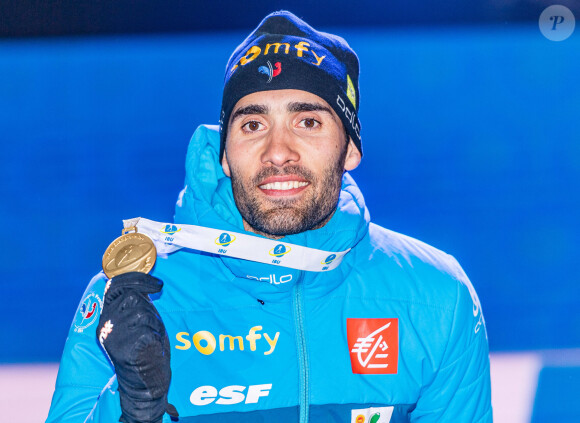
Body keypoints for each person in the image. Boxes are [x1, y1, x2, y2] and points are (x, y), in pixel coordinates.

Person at [46, 10, 492, 423]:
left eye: (308, 122)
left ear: (350, 147)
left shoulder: (436, 296)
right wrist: (130, 411)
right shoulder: (135, 297)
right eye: (253, 125)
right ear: (224, 154)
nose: (278, 152)